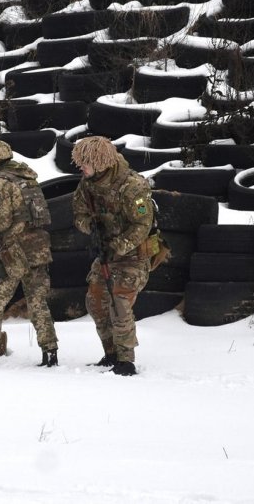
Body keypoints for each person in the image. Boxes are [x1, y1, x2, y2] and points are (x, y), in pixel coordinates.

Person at [0, 140, 58, 367]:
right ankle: (50, 352)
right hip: (37, 247)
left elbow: (0, 221)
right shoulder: (26, 177)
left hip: (14, 252)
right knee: (37, 303)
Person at [71, 136, 157, 376]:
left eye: (85, 163)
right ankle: (110, 353)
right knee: (95, 301)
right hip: (106, 252)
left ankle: (126, 359)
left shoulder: (132, 186)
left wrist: (118, 245)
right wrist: (90, 227)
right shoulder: (87, 184)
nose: (81, 168)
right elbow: (78, 213)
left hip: (132, 255)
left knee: (119, 303)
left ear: (100, 163)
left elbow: (142, 224)